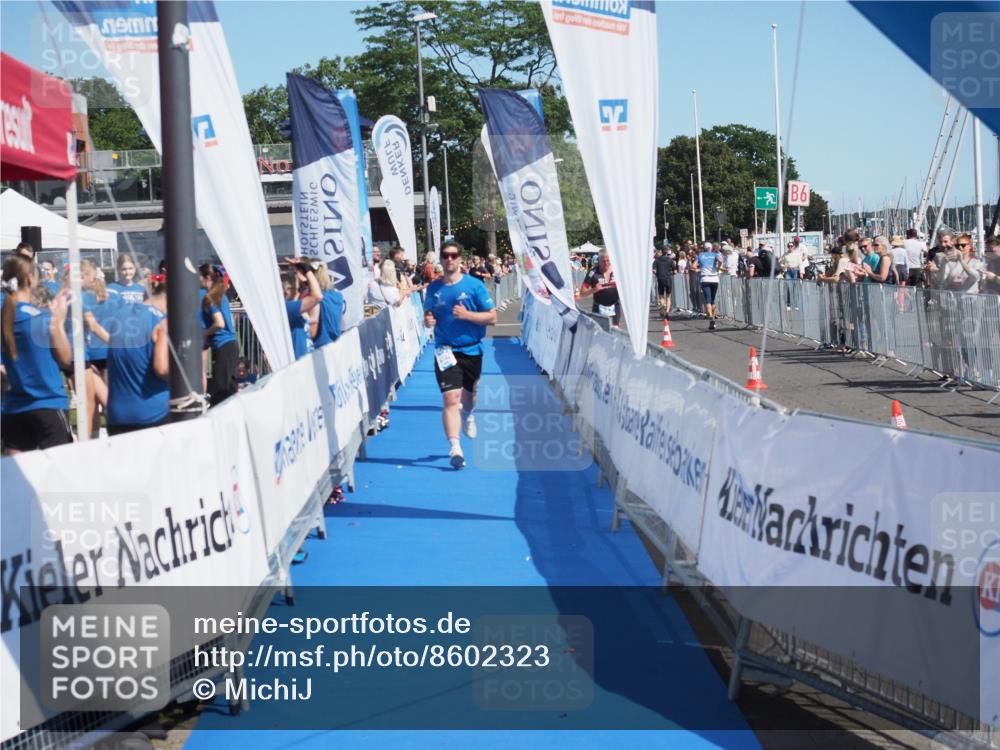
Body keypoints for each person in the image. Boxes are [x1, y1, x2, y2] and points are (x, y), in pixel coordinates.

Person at [423, 240, 497, 469]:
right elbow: (428, 314)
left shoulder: (474, 285)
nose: (449, 259)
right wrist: (428, 320)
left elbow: (492, 317)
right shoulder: (434, 288)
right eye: (445, 255)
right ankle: (455, 448)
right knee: (451, 399)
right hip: (445, 349)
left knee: (469, 397)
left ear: (460, 259)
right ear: (440, 259)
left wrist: (468, 316)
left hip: (472, 349)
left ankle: (468, 415)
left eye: (454, 255)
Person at [1, 255, 74, 453]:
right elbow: (66, 359)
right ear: (30, 280)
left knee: (17, 472)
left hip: (14, 407)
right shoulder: (41, 319)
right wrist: (59, 321)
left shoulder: (5, 316)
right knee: (60, 469)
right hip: (48, 403)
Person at [97, 272, 169, 435]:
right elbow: (162, 368)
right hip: (153, 414)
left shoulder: (120, 315)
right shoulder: (162, 322)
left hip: (117, 416)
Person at [199, 263, 238, 406]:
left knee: (221, 385)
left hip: (224, 345)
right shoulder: (221, 296)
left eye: (199, 276)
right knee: (229, 385)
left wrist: (204, 332)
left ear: (207, 277)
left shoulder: (210, 298)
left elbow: (220, 323)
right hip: (230, 345)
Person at [283, 259, 323, 359]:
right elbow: (317, 297)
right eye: (295, 288)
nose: (298, 290)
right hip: (298, 362)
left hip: (306, 358)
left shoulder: (292, 305)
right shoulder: (287, 308)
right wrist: (306, 268)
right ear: (286, 290)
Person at [579, 251, 621, 326]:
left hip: (614, 307)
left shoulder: (617, 271)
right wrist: (594, 289)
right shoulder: (592, 273)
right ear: (599, 261)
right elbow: (582, 293)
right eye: (603, 261)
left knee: (615, 330)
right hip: (598, 308)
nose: (606, 263)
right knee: (600, 330)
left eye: (608, 260)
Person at [311, 264, 345, 347]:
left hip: (319, 344)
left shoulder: (316, 298)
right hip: (336, 342)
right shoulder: (338, 296)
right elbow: (342, 324)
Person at [691, 241, 722, 329]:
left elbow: (693, 266)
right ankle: (713, 318)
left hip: (705, 278)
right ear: (711, 248)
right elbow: (721, 260)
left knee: (707, 300)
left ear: (704, 248)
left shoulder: (700, 256)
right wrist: (718, 267)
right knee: (713, 300)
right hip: (714, 278)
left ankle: (711, 318)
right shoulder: (715, 254)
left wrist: (700, 269)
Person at [652, 248, 675, 318]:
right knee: (668, 296)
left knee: (661, 295)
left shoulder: (656, 260)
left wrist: (657, 274)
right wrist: (672, 273)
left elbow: (654, 270)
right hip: (668, 279)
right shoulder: (670, 260)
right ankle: (667, 311)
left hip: (660, 279)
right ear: (667, 252)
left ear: (662, 252)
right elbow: (675, 270)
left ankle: (664, 305)